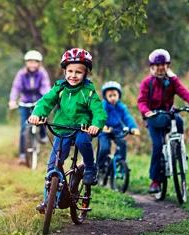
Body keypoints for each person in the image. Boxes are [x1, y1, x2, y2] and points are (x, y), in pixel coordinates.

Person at [28, 48, 107, 213]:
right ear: (64, 71)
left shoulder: (88, 91)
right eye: (70, 71)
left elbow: (99, 111)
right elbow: (46, 101)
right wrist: (37, 114)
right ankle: (47, 200)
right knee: (53, 163)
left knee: (82, 141)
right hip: (62, 128)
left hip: (82, 127)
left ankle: (90, 168)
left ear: (86, 73)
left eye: (79, 72)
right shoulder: (60, 88)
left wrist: (95, 125)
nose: (73, 75)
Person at [137, 49, 189, 194]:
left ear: (168, 65)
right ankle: (155, 181)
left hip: (168, 114)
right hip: (153, 118)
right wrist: (146, 111)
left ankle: (179, 148)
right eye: (157, 64)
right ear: (152, 67)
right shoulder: (147, 83)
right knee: (157, 146)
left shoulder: (172, 80)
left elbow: (183, 91)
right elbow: (141, 100)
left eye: (164, 64)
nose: (160, 67)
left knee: (179, 121)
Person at [9, 50, 51, 164]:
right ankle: (22, 155)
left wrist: (46, 99)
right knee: (24, 128)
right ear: (26, 63)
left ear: (39, 63)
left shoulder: (42, 74)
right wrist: (13, 100)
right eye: (30, 62)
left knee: (42, 120)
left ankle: (42, 135)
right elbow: (16, 87)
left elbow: (46, 87)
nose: (32, 65)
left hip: (39, 102)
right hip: (25, 103)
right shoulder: (21, 74)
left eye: (35, 62)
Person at [97, 81, 139, 172]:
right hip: (104, 130)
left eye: (114, 95)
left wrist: (133, 128)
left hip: (117, 129)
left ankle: (120, 163)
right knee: (104, 148)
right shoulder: (103, 106)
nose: (113, 98)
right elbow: (99, 117)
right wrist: (102, 126)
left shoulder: (121, 107)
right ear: (106, 97)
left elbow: (127, 117)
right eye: (110, 96)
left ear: (119, 95)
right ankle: (99, 167)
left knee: (122, 143)